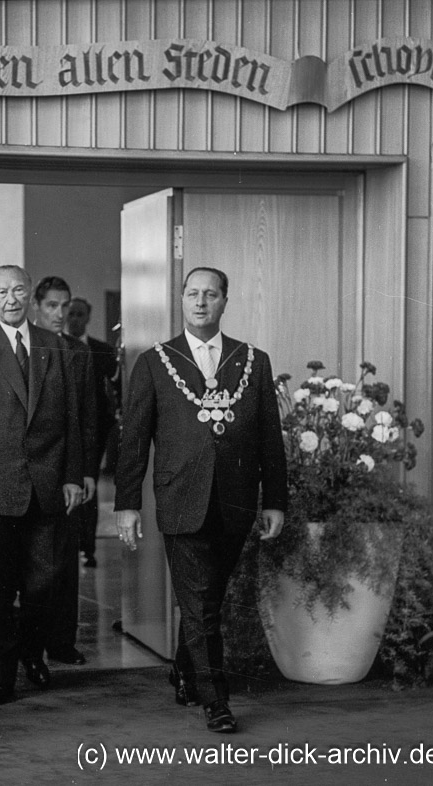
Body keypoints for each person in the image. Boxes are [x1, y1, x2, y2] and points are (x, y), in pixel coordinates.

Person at [114, 266, 287, 734]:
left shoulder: (253, 360)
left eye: (210, 294)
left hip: (234, 500)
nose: (200, 302)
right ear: (182, 300)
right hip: (179, 498)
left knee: (210, 599)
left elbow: (270, 438)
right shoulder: (154, 361)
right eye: (192, 293)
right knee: (200, 604)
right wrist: (126, 503)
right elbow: (134, 440)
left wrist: (275, 500)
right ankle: (217, 702)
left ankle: (184, 671)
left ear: (225, 301)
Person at [0, 265, 84, 706]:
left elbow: (72, 420)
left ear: (29, 296)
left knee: (45, 582)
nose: (11, 298)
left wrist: (71, 475)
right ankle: (0, 676)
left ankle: (31, 652)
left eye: (19, 290)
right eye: (2, 291)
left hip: (47, 485)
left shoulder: (55, 346)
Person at [32, 276, 98, 666]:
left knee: (64, 563)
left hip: (66, 470)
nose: (60, 314)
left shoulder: (77, 352)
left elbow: (88, 417)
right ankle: (31, 646)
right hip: (27, 472)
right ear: (37, 307)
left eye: (65, 307)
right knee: (32, 570)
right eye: (52, 306)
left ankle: (61, 641)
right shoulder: (21, 347)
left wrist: (87, 470)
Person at [66, 297, 120, 568]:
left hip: (94, 431)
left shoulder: (102, 350)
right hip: (64, 432)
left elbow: (113, 390)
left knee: (90, 485)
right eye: (70, 313)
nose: (74, 318)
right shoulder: (56, 346)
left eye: (79, 314)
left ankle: (88, 547)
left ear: (88, 317)